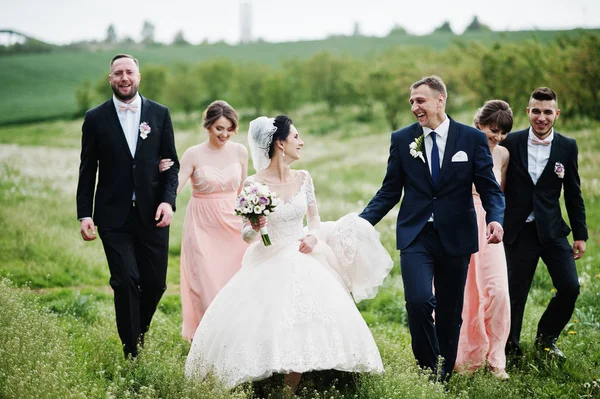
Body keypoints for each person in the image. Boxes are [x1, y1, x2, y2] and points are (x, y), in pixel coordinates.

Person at [184, 115, 393, 391]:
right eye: (296, 137)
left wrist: (313, 237)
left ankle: (294, 387)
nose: (301, 142)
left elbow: (315, 221)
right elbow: (246, 235)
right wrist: (256, 227)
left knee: (307, 316)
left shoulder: (304, 178)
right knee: (268, 318)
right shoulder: (253, 185)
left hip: (302, 255)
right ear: (280, 144)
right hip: (268, 257)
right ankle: (265, 378)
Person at [359, 75, 505, 379]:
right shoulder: (402, 139)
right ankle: (428, 367)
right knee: (418, 300)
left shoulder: (472, 139)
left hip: (457, 235)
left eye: (420, 100)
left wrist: (495, 218)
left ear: (441, 100)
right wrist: (360, 223)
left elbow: (490, 188)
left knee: (451, 312)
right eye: (411, 101)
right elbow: (389, 191)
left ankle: (443, 375)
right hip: (417, 235)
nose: (414, 106)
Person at [76, 54, 179, 358]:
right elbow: (87, 169)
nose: (124, 77)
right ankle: (131, 352)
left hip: (152, 214)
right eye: (118, 73)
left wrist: (167, 201)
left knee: (156, 283)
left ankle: (139, 330)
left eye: (129, 72)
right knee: (126, 280)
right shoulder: (95, 118)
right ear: (110, 79)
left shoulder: (160, 114)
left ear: (138, 76)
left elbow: (171, 165)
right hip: (112, 215)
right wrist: (84, 213)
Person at [501, 87, 588, 360]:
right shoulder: (510, 143)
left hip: (551, 231)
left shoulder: (567, 146)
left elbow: (573, 193)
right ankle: (510, 348)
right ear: (528, 112)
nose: (541, 117)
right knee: (515, 293)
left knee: (570, 287)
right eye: (536, 111)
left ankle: (546, 339)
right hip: (518, 231)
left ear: (556, 114)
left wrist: (580, 235)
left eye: (547, 112)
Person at [159, 100, 249, 341]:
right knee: (206, 288)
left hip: (233, 227)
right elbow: (174, 187)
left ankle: (236, 342)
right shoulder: (194, 154)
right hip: (202, 226)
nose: (225, 134)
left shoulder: (240, 152)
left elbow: (244, 192)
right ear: (208, 126)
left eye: (230, 129)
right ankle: (209, 343)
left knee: (234, 284)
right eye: (220, 128)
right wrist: (157, 174)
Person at [455, 100, 513, 380]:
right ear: (478, 124)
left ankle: (496, 358)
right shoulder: (461, 147)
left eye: (502, 132)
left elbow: (499, 194)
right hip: (463, 220)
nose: (497, 137)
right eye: (493, 130)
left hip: (490, 226)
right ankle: (467, 357)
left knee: (498, 291)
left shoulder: (503, 154)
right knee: (467, 293)